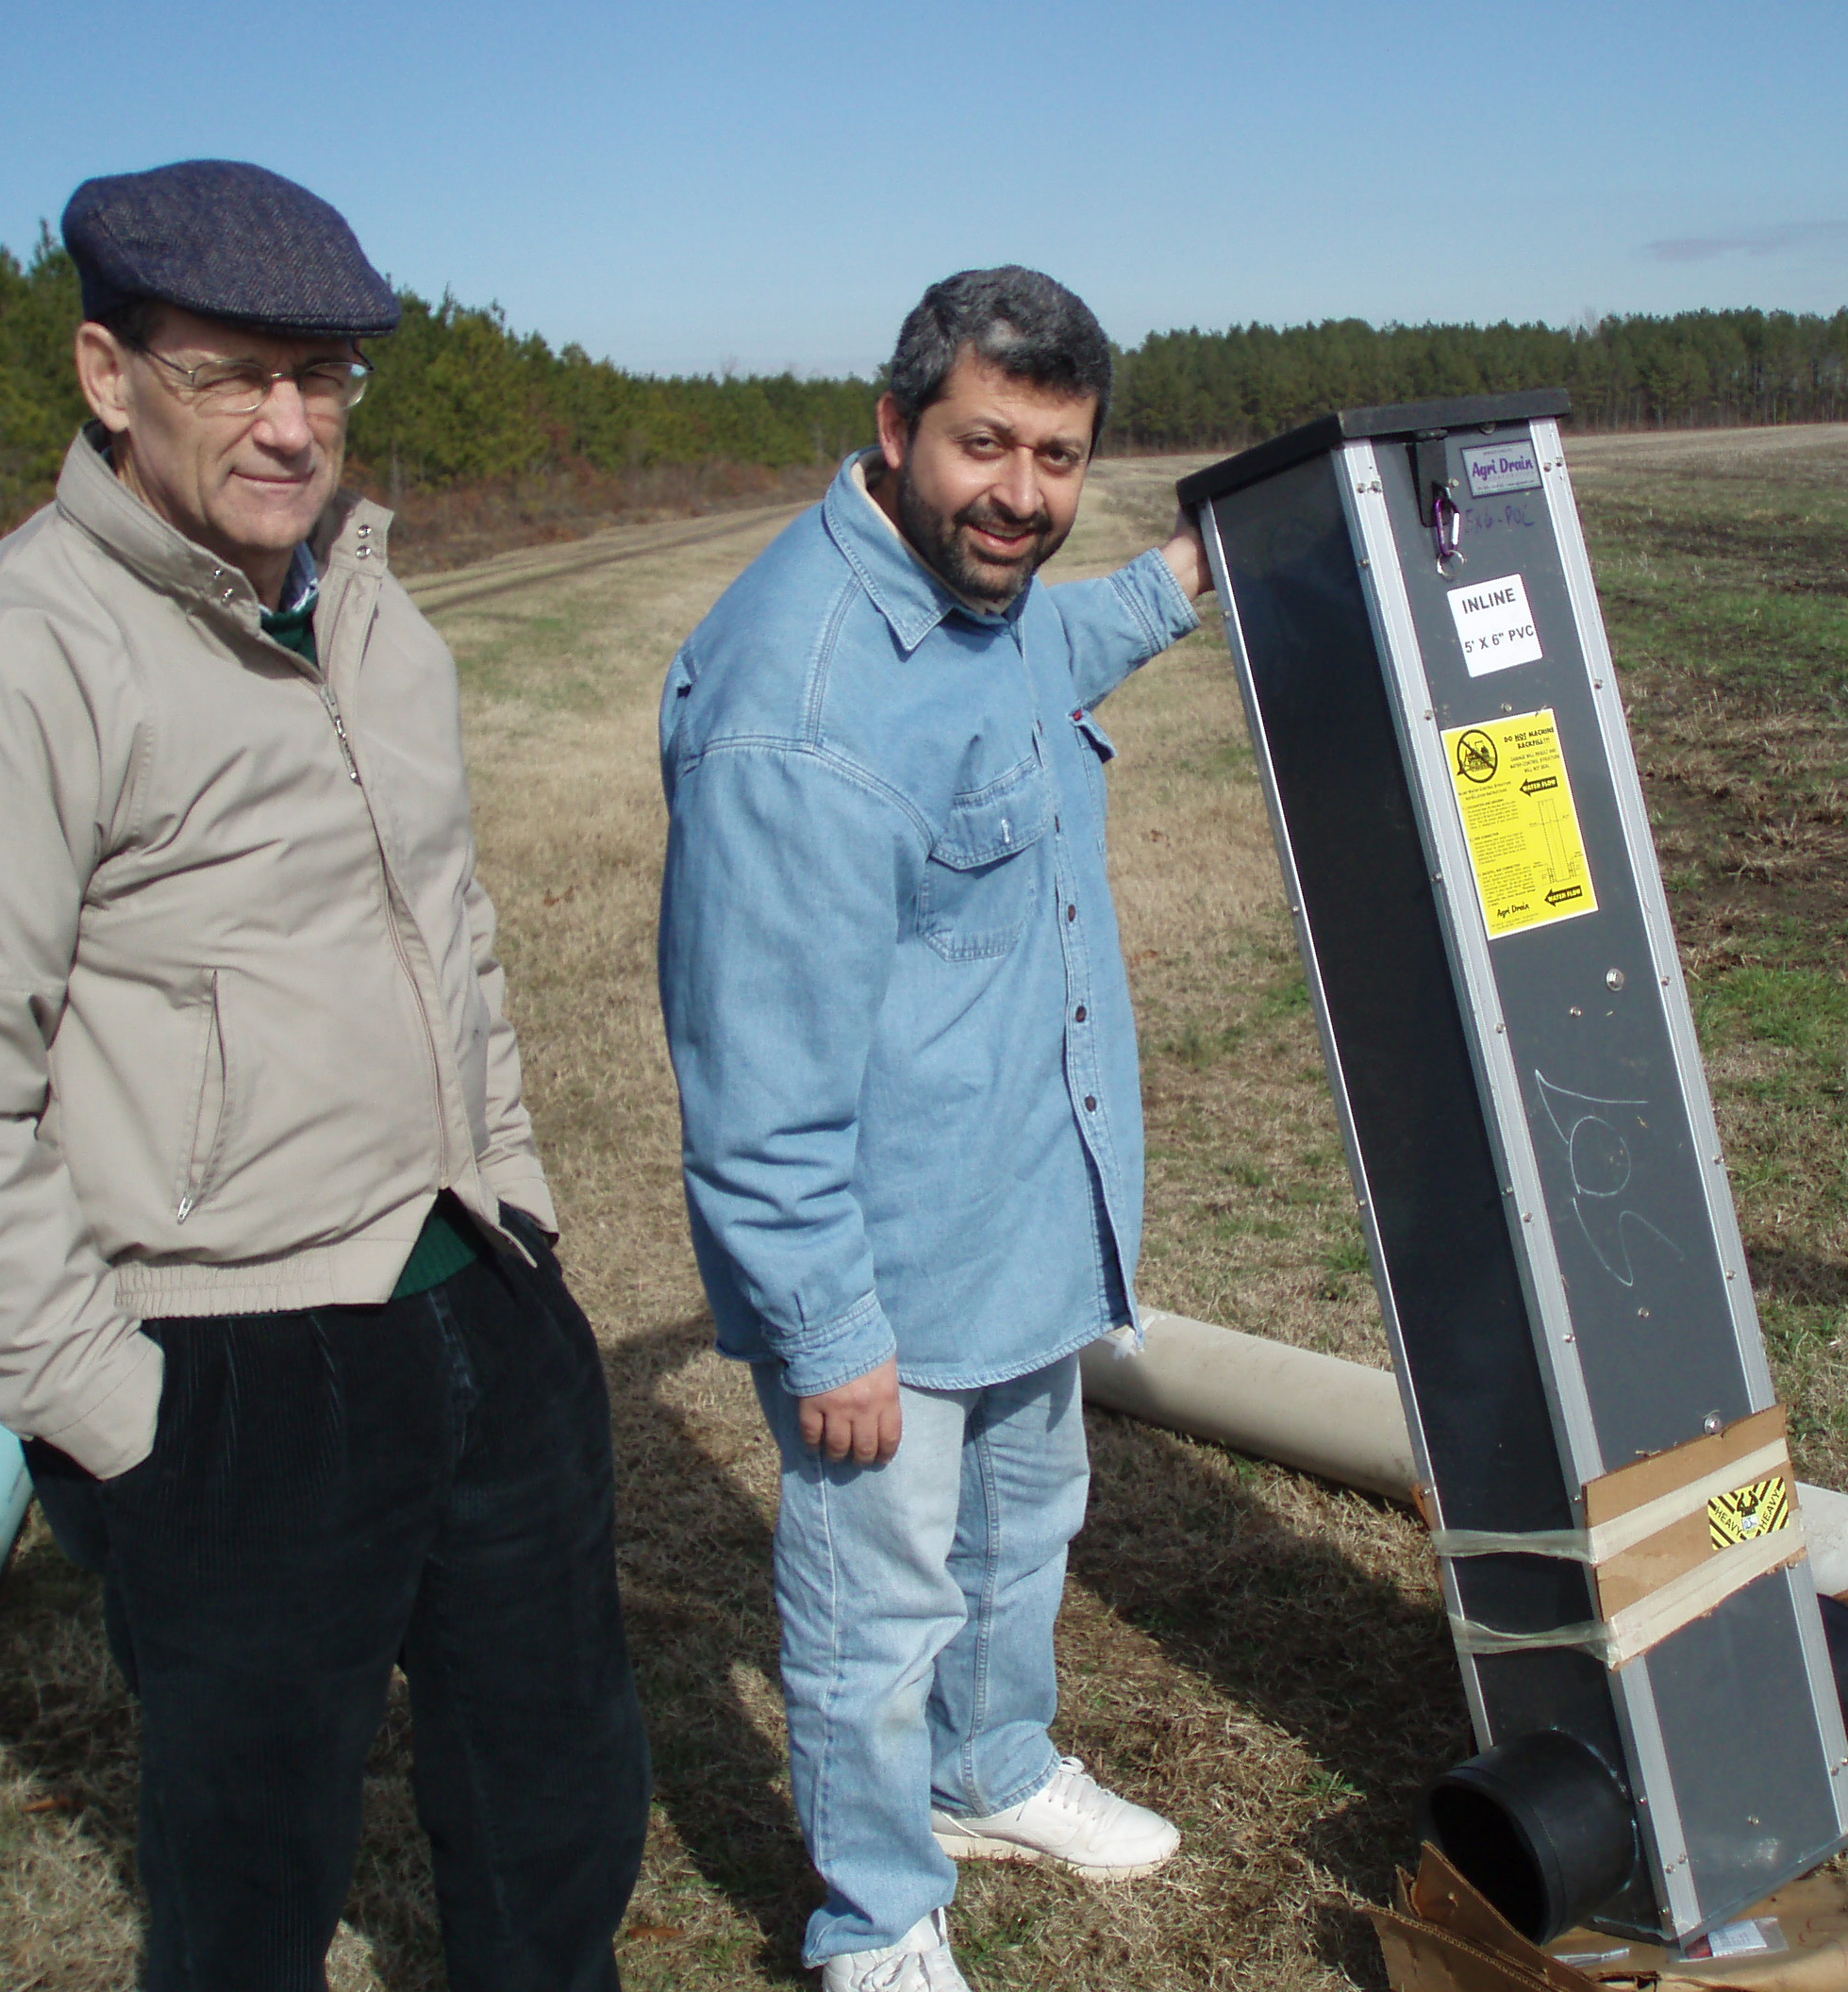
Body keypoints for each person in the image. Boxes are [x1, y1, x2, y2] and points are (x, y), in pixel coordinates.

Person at [0, 159, 646, 1991]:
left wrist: (522, 1208)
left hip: (479, 1304)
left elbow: (460, 937)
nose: (292, 424)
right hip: (231, 1370)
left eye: (326, 376)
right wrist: (123, 1422)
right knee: (253, 1878)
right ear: (110, 377)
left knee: (561, 1809)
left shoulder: (374, 618)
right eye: (233, 376)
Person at [656, 266, 1212, 1991]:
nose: (1024, 495)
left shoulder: (992, 596)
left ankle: (989, 1773)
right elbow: (755, 1081)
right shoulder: (802, 702)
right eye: (987, 444)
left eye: (1059, 457)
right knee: (872, 1615)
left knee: (1026, 1523)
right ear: (896, 429)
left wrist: (1204, 568)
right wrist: (825, 1330)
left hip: (1023, 1221)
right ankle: (875, 1918)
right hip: (888, 1276)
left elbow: (1072, 633)